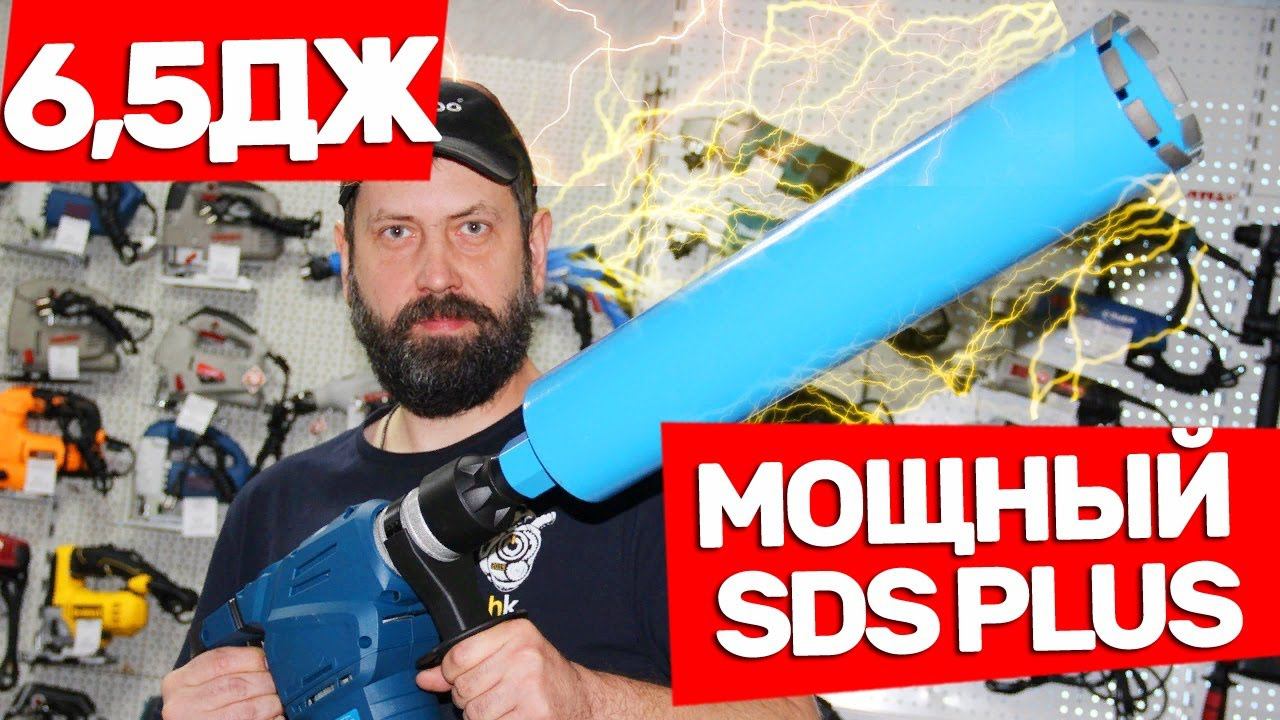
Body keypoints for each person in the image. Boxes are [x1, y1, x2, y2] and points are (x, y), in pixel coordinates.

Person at [159, 80, 818, 720]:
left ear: (534, 249)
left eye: (472, 227)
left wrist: (592, 704)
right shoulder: (272, 507)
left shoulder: (665, 475)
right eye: (396, 232)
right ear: (347, 261)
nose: (436, 273)